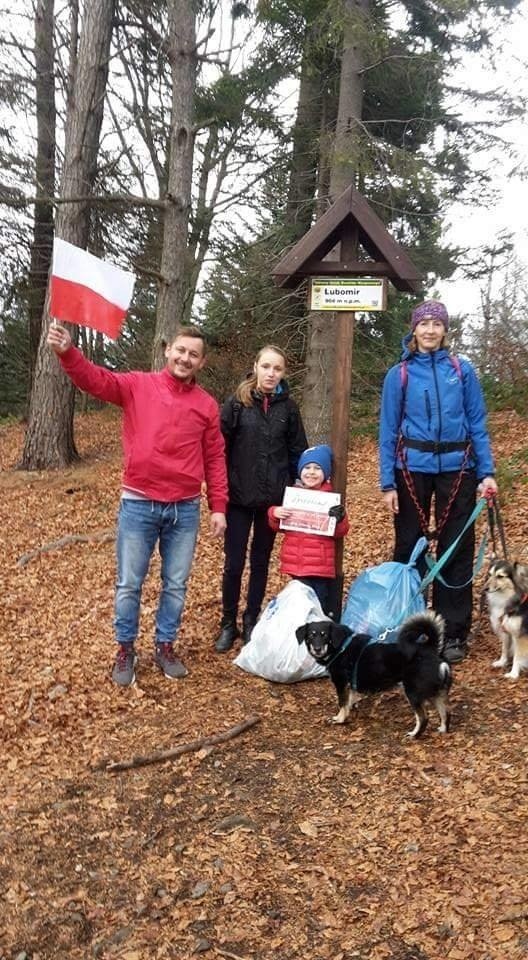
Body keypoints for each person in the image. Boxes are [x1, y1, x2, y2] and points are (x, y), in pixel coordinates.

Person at [47, 321, 228, 686]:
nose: (185, 358)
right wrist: (68, 351)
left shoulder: (206, 406)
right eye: (180, 350)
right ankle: (125, 649)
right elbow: (94, 380)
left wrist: (219, 506)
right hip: (139, 505)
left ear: (202, 362)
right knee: (129, 584)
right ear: (168, 350)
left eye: (193, 354)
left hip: (185, 509)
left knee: (175, 585)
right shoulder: (136, 386)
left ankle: (164, 645)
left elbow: (215, 457)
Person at [379, 299, 498, 664]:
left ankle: (454, 632)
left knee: (457, 549)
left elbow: (477, 423)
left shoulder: (462, 371)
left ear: (446, 330)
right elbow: (387, 429)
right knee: (410, 548)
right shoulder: (398, 374)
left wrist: (487, 472)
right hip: (410, 469)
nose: (430, 330)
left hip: (458, 466)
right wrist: (387, 482)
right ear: (413, 329)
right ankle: (413, 626)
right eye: (424, 323)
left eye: (437, 324)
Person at [215, 345, 308, 652]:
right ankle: (228, 622)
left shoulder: (289, 408)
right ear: (255, 367)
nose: (271, 373)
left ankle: (252, 618)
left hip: (273, 503)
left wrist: (300, 491)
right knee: (233, 563)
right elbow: (219, 451)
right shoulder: (236, 405)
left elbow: (298, 453)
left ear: (283, 373)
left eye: (277, 369)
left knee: (260, 562)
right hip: (238, 498)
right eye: (266, 367)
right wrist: (219, 494)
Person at [267, 444, 349, 618]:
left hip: (320, 567)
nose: (311, 472)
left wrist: (339, 518)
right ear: (300, 471)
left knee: (317, 607)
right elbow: (279, 526)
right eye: (307, 467)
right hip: (296, 565)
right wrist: (274, 513)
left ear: (325, 473)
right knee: (296, 609)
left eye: (317, 468)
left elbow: (340, 532)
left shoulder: (331, 499)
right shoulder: (293, 495)